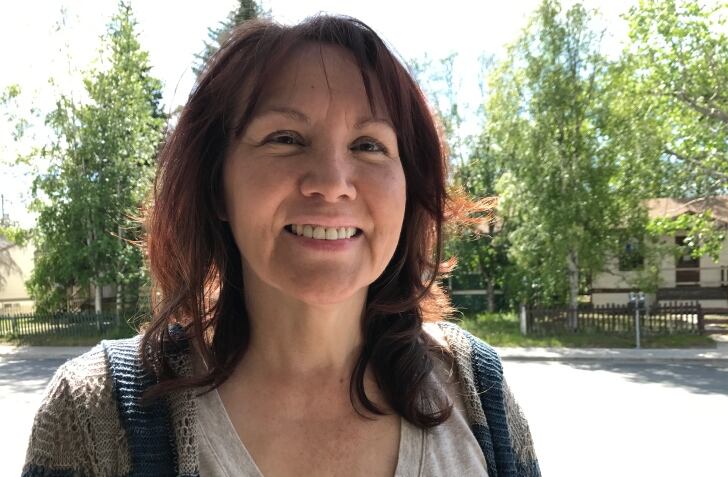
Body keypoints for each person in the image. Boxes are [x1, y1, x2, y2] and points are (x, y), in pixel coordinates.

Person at [22, 14, 541, 477]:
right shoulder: (96, 414)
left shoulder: (479, 392)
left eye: (369, 145)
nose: (332, 181)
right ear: (216, 186)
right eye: (286, 138)